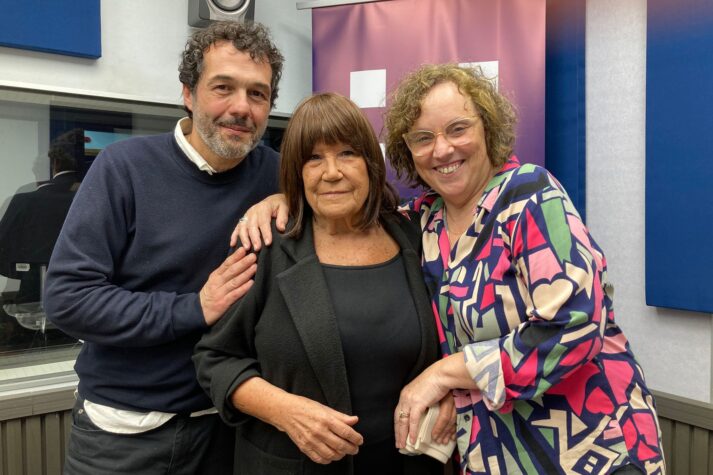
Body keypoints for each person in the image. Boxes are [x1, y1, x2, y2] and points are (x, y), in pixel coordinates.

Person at [233, 65, 665, 474]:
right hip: (495, 454)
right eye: (423, 138)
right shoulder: (423, 221)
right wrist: (283, 200)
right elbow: (349, 207)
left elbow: (575, 326)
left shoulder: (530, 197)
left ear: (488, 129)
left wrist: (442, 375)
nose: (442, 149)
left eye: (458, 129)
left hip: (590, 447)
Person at [43, 21, 284, 475]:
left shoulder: (280, 175)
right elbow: (68, 299)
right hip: (126, 435)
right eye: (223, 88)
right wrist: (194, 308)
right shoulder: (124, 168)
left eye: (258, 94)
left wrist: (287, 198)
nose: (241, 107)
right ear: (188, 94)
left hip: (233, 426)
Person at [193, 92, 453, 475]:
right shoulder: (265, 247)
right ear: (297, 172)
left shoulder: (416, 237)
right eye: (313, 158)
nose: (331, 172)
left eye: (347, 153)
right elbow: (214, 359)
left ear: (371, 163)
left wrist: (449, 391)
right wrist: (285, 411)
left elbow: (459, 336)